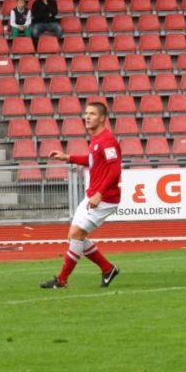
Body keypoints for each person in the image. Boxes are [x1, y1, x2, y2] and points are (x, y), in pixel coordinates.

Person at [40, 102, 122, 289]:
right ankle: (108, 268)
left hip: (105, 198)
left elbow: (115, 169)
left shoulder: (107, 140)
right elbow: (92, 160)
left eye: (92, 114)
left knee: (77, 234)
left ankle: (62, 280)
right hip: (93, 195)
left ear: (102, 118)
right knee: (74, 236)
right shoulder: (96, 139)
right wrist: (68, 157)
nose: (87, 117)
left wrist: (100, 194)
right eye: (86, 113)